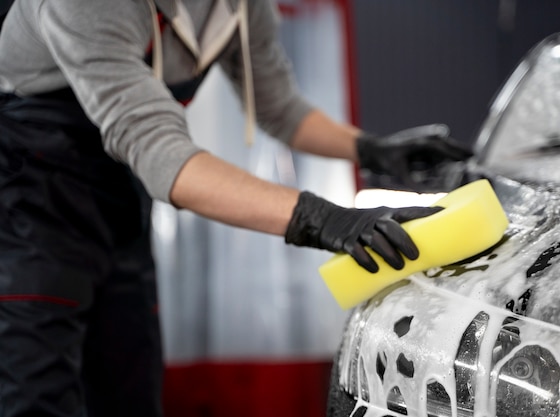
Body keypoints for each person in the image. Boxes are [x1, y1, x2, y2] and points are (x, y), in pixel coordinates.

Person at [0, 0, 471, 415]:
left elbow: (279, 107)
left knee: (129, 386)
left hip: (118, 197)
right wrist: (323, 219)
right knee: (36, 387)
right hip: (28, 195)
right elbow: (159, 152)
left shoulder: (240, 6)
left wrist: (372, 150)